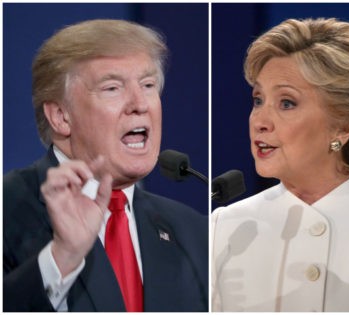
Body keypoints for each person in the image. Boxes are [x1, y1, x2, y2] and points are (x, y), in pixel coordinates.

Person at [211, 18, 349, 312]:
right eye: (258, 100)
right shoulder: (227, 226)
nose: (259, 121)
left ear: (343, 127)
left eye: (286, 103)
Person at [4, 19, 208, 312]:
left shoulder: (192, 232)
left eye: (148, 85)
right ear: (61, 116)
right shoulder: (8, 209)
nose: (140, 104)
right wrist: (63, 257)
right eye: (112, 88)